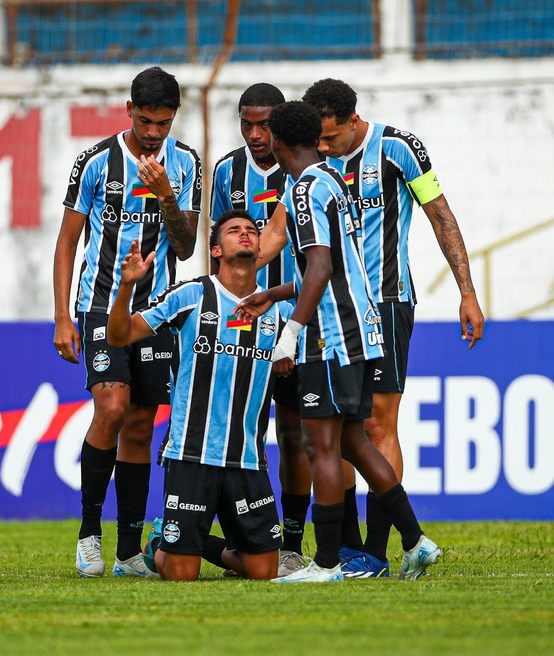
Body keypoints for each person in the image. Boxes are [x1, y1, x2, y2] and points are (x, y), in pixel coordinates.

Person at [237, 101, 440, 582]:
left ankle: (328, 563)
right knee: (353, 440)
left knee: (320, 445)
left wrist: (290, 332)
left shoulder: (304, 189)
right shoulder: (332, 180)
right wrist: (274, 292)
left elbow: (322, 268)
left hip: (330, 336)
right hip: (360, 329)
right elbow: (334, 264)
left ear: (281, 143)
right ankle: (416, 540)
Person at [302, 78, 484, 575]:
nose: (324, 148)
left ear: (353, 122)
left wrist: (467, 293)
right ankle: (346, 548)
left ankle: (379, 552)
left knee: (379, 423)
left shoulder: (399, 149)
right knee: (337, 428)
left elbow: (440, 216)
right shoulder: (309, 162)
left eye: (332, 138)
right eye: (317, 140)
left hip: (385, 303)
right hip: (326, 308)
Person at [53, 66, 202, 578]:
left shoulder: (185, 164)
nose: (154, 132)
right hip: (100, 305)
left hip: (157, 311)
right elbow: (68, 240)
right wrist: (60, 317)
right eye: (145, 121)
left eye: (163, 123)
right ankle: (89, 533)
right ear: (128, 111)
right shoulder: (95, 162)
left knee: (140, 424)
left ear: (174, 117)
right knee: (112, 408)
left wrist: (166, 195)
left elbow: (186, 246)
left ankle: (128, 552)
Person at [107, 210, 292, 580]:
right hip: (190, 454)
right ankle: (162, 544)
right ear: (216, 250)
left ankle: (200, 543)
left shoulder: (281, 311)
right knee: (181, 576)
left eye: (252, 231)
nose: (245, 234)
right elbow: (119, 335)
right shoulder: (192, 295)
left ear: (260, 248)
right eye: (234, 230)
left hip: (247, 458)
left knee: (265, 572)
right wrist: (126, 286)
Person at [210, 83, 307, 577]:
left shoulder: (304, 171)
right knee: (245, 431)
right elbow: (219, 247)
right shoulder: (227, 170)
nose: (254, 134)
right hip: (242, 322)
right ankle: (247, 539)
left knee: (295, 433)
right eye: (246, 124)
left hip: (295, 317)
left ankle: (290, 540)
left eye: (264, 124)